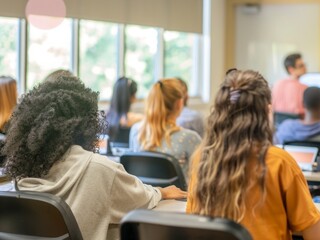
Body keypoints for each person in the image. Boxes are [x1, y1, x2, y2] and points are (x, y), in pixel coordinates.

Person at [1, 75, 187, 240]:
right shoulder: (100, 170)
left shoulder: (20, 176)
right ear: (87, 123)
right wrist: (161, 192)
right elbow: (140, 198)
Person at [186, 69, 320, 240]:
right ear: (267, 111)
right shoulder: (279, 162)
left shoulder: (202, 158)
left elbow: (192, 219)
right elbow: (315, 235)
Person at [129, 78, 201, 178]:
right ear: (180, 103)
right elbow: (203, 180)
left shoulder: (136, 131)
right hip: (180, 194)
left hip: (145, 193)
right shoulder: (190, 138)